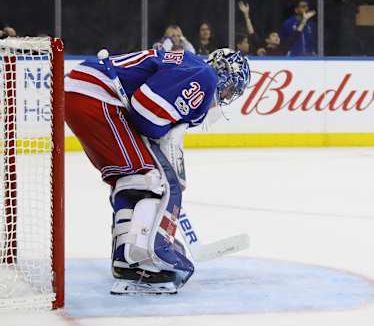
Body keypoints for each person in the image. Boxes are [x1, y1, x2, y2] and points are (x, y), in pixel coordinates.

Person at [64, 47, 250, 292]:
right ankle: (142, 259)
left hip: (86, 93)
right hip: (96, 95)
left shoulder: (193, 68)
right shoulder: (205, 76)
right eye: (230, 88)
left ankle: (126, 258)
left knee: (131, 177)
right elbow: (147, 115)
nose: (226, 95)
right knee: (147, 178)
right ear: (225, 74)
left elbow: (151, 118)